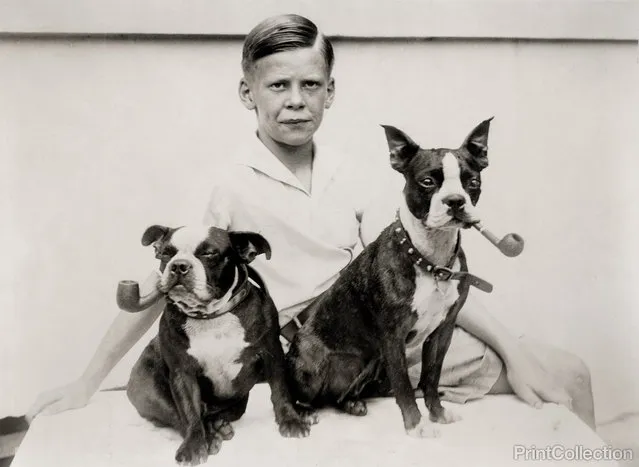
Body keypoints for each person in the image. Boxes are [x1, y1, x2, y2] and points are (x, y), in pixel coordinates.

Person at [28, 14, 596, 430]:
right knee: (559, 376)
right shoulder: (228, 184)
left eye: (310, 85)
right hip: (314, 355)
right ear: (247, 93)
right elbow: (164, 286)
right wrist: (86, 380)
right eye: (278, 85)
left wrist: (515, 353)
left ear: (331, 92)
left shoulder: (354, 176)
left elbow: (431, 274)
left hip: (383, 334)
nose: (295, 101)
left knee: (568, 373)